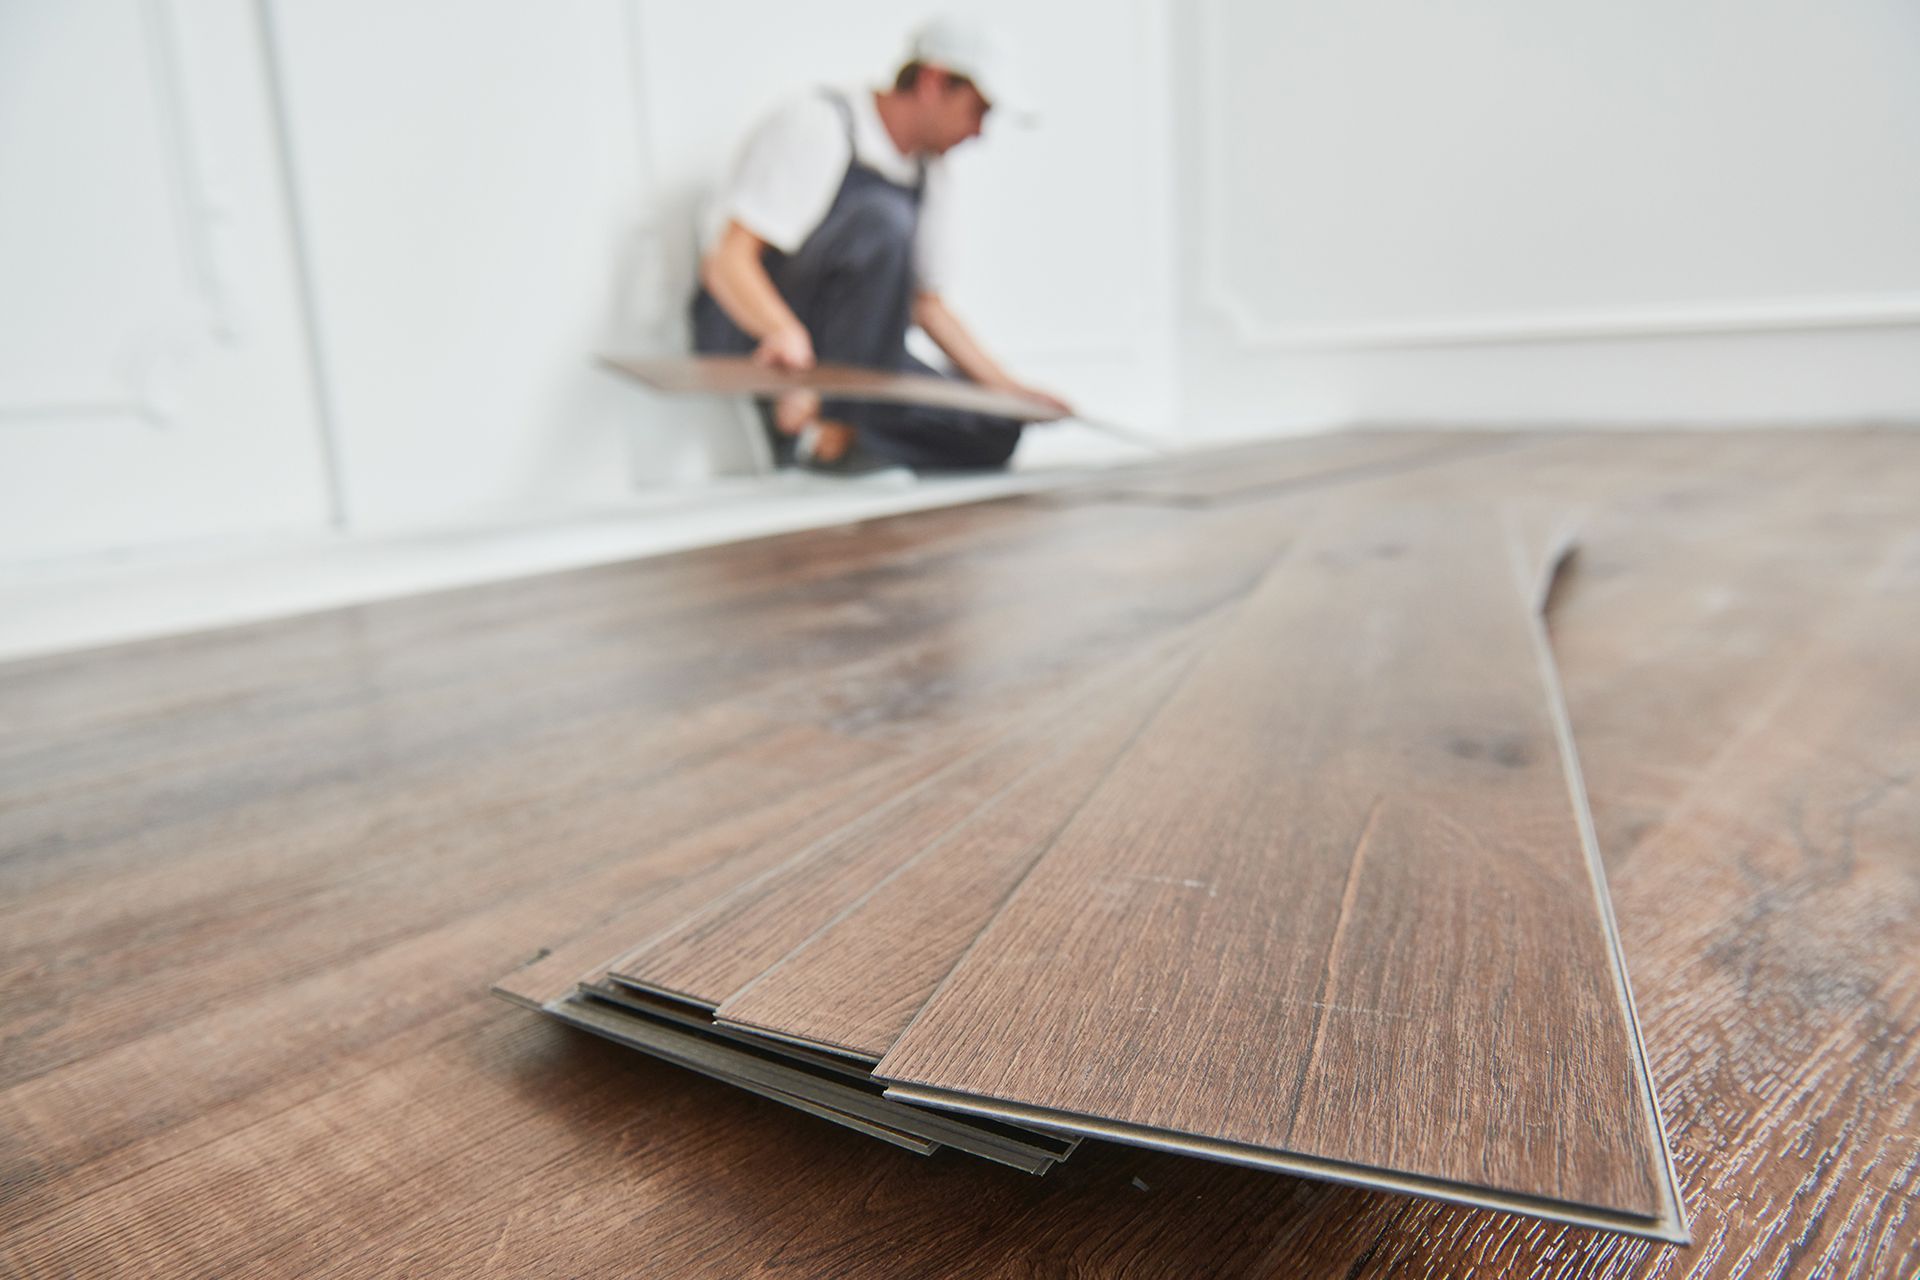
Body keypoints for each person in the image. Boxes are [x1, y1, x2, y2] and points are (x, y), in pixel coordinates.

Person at [690, 16, 1072, 473]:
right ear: (933, 81)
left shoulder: (930, 171)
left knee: (994, 429)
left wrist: (1010, 391)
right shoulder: (820, 122)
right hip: (756, 330)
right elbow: (728, 260)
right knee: (882, 221)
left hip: (860, 353)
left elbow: (926, 304)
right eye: (978, 109)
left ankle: (831, 433)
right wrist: (782, 334)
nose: (979, 131)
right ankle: (832, 429)